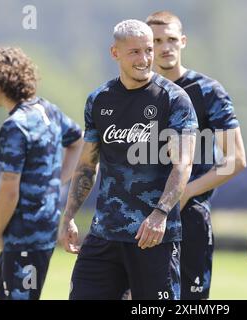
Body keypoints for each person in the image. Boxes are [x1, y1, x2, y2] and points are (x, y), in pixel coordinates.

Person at [59, 19, 198, 300]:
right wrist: (69, 215)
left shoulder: (174, 99)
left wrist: (160, 214)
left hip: (154, 238)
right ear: (115, 53)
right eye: (135, 51)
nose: (145, 58)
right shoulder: (99, 99)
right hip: (105, 236)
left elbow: (182, 165)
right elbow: (87, 163)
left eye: (148, 50)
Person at [146, 11, 247, 300]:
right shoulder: (136, 92)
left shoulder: (207, 92)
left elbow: (236, 160)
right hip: (140, 217)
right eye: (157, 40)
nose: (166, 47)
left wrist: (186, 192)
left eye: (172, 39)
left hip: (189, 218)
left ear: (183, 41)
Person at [0, 47, 83, 300]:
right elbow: (77, 141)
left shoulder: (15, 126)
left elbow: (9, 189)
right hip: (44, 227)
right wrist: (57, 180)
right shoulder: (48, 110)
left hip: (23, 233)